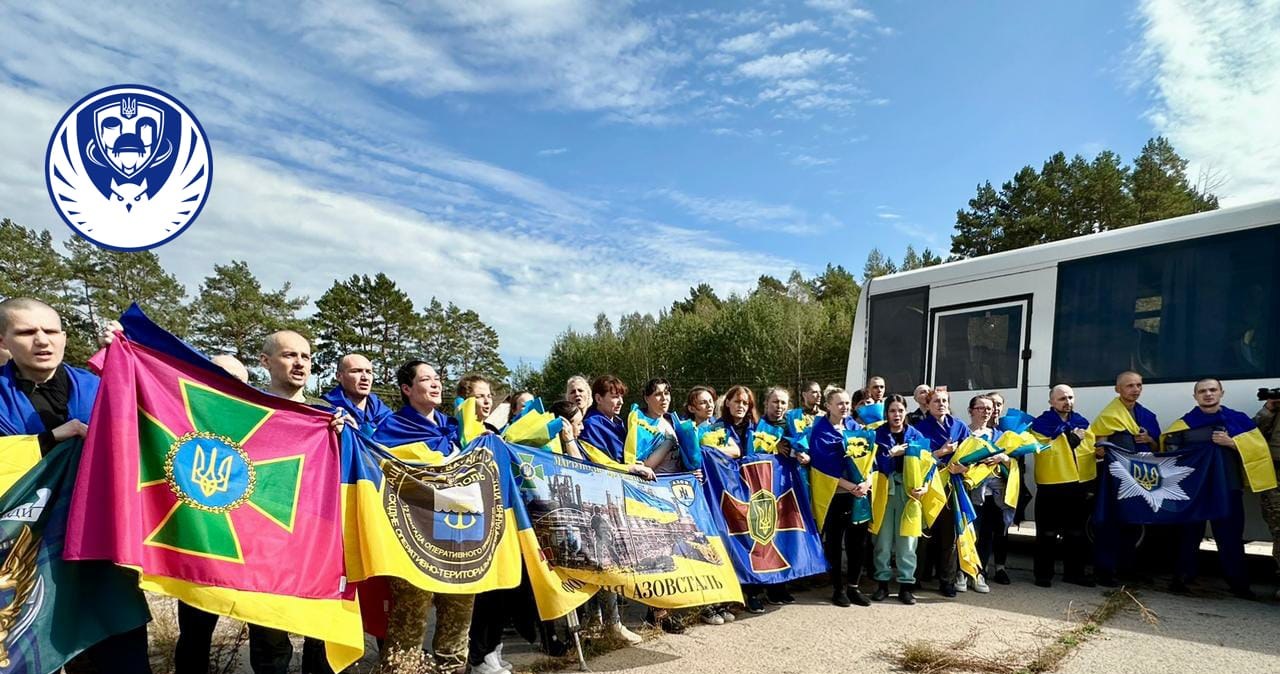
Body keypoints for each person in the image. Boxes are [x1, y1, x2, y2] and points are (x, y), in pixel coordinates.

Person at [0, 298, 152, 674]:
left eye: (50, 331)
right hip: (27, 553)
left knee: (122, 655)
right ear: (3, 339)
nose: (41, 341)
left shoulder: (101, 386)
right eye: (26, 332)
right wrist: (50, 439)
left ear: (64, 337)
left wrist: (128, 359)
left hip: (100, 549)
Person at [373, 360, 477, 673]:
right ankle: (402, 668)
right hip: (414, 536)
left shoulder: (453, 427)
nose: (436, 384)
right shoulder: (392, 429)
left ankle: (452, 666)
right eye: (426, 379)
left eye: (437, 378)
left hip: (457, 534)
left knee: (459, 611)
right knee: (410, 613)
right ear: (407, 389)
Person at [1162, 378, 1277, 598]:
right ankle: (1181, 579)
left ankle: (1239, 585)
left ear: (1221, 393)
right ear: (1195, 396)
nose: (1208, 394)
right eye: (1202, 391)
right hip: (1194, 492)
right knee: (1188, 537)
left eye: (1212, 390)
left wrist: (1232, 443)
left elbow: (1259, 448)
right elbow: (1170, 456)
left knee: (1231, 539)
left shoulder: (1238, 420)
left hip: (1228, 489)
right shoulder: (1183, 424)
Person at [571, 374, 645, 645]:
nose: (619, 401)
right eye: (613, 396)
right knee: (603, 560)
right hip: (597, 503)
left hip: (616, 501)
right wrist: (630, 469)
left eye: (621, 396)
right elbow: (598, 461)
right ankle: (607, 623)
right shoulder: (592, 425)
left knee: (607, 560)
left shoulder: (619, 425)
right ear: (598, 398)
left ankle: (601, 622)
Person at [1089, 371, 1160, 587]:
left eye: (1139, 385)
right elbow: (1097, 449)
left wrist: (1148, 439)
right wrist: (1106, 449)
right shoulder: (1108, 416)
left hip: (1141, 476)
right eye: (1130, 385)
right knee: (1109, 524)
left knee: (1135, 523)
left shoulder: (1148, 416)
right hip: (1115, 478)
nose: (1135, 389)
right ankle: (1105, 571)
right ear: (1118, 389)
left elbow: (1158, 449)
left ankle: (1129, 570)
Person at [808, 387, 872, 608]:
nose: (845, 407)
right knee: (835, 543)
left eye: (847, 403)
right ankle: (838, 588)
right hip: (836, 496)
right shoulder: (820, 431)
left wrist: (866, 483)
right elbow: (823, 469)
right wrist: (850, 485)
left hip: (859, 495)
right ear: (828, 406)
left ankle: (854, 586)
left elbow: (870, 460)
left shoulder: (856, 428)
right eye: (839, 403)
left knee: (858, 543)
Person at [1029, 384, 1096, 588]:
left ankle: (1074, 573)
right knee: (1046, 533)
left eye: (1070, 397)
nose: (1067, 402)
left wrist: (1071, 439)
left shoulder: (1082, 422)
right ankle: (1043, 575)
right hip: (1052, 484)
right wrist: (1071, 439)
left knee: (1076, 533)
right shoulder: (1041, 423)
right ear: (1051, 402)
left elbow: (1088, 447)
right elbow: (1044, 448)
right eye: (1061, 398)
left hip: (1077, 484)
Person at [870, 394, 926, 605]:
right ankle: (882, 584)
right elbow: (870, 466)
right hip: (884, 491)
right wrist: (890, 454)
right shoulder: (877, 435)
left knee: (908, 542)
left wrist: (925, 486)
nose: (897, 415)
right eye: (892, 411)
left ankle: (906, 586)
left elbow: (927, 466)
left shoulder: (915, 435)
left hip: (909, 494)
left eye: (900, 411)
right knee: (882, 541)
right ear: (886, 413)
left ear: (905, 412)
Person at [914, 388, 970, 597]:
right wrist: (940, 453)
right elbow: (915, 457)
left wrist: (963, 467)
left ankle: (947, 580)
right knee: (923, 534)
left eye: (944, 401)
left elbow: (971, 452)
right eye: (936, 401)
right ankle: (915, 577)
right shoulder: (920, 428)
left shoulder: (959, 426)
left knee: (949, 535)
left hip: (951, 486)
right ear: (927, 405)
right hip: (928, 485)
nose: (941, 404)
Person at [964, 395, 1009, 593]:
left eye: (988, 408)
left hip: (994, 495)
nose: (985, 411)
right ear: (971, 410)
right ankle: (963, 571)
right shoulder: (964, 433)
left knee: (987, 535)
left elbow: (1012, 462)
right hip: (968, 492)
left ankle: (979, 573)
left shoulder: (999, 435)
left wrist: (1003, 457)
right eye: (980, 408)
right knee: (968, 534)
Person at [322, 353, 392, 437]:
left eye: (369, 372)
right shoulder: (325, 411)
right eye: (356, 371)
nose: (365, 377)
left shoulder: (383, 413)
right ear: (339, 376)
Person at [1255, 392, 1280, 596]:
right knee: (1278, 527)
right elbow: (1253, 435)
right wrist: (1269, 409)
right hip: (1275, 474)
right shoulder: (1272, 411)